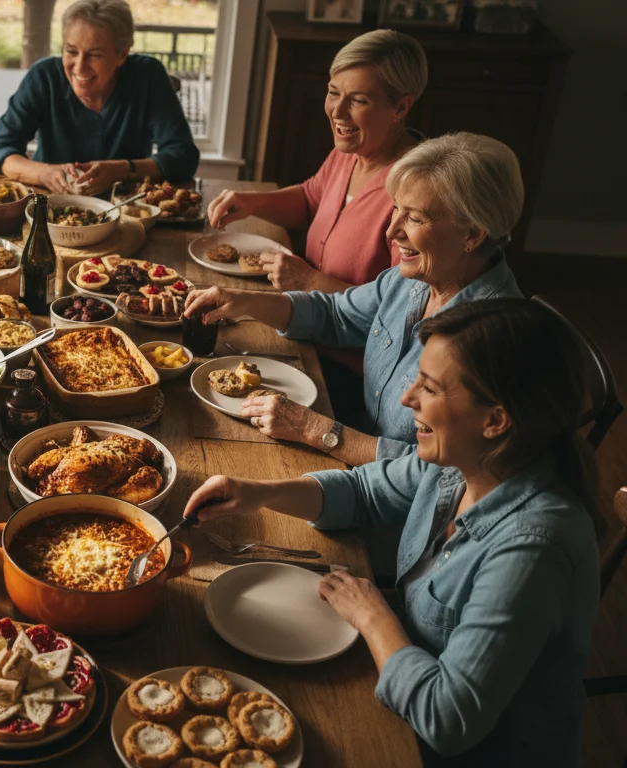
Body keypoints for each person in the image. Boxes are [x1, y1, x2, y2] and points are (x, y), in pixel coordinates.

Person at [181, 299, 600, 766]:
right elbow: (363, 491)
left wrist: (374, 616)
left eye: (430, 387)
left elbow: (448, 718)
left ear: (496, 420)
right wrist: (256, 492)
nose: (407, 398)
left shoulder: (533, 547)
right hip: (396, 670)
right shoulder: (470, 463)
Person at [184, 132, 524, 466]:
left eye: (416, 218)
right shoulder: (418, 278)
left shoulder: (492, 344)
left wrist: (318, 430)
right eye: (396, 210)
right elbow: (336, 314)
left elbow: (435, 478)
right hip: (353, 439)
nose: (392, 232)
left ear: (472, 234)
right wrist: (245, 302)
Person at [207, 29, 427, 295]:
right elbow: (310, 202)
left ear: (401, 108)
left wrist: (309, 282)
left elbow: (401, 307)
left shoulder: (420, 192)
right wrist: (253, 202)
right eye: (333, 93)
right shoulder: (348, 153)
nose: (337, 111)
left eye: (358, 100)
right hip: (302, 315)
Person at [0, 0, 199, 196]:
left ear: (121, 55)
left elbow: (183, 156)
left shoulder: (149, 75)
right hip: (47, 210)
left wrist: (123, 170)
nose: (79, 67)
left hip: (126, 211)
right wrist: (45, 174)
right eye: (71, 51)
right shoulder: (43, 77)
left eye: (95, 55)